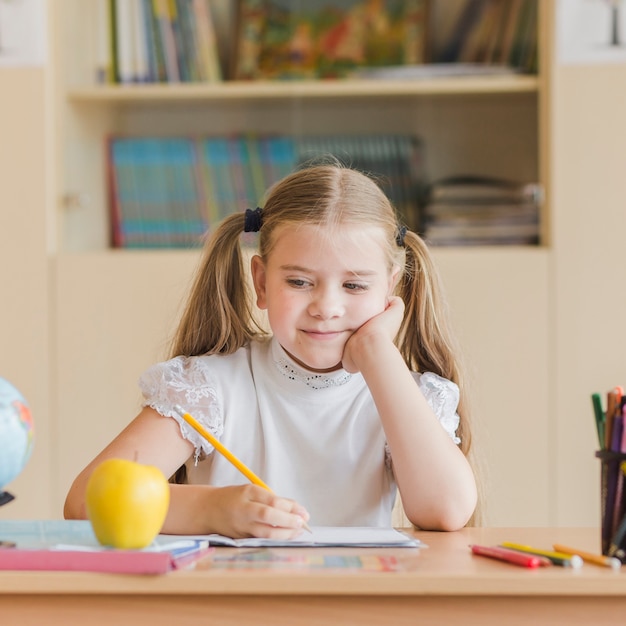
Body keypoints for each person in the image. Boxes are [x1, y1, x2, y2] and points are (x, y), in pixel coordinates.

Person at [64, 163, 477, 539]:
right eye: (299, 282)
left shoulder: (403, 395)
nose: (326, 308)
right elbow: (86, 501)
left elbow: (445, 510)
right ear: (261, 283)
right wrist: (212, 509)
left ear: (390, 290)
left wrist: (376, 350)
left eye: (354, 286)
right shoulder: (209, 388)